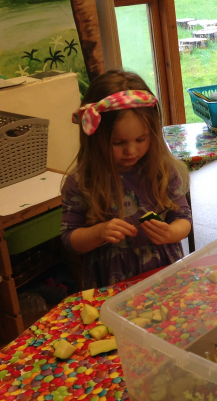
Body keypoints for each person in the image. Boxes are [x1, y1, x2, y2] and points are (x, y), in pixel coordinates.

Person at [61, 70, 192, 288]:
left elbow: (184, 219)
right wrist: (98, 232)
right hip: (111, 276)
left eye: (141, 139)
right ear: (94, 138)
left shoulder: (162, 170)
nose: (131, 150)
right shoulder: (82, 182)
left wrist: (170, 233)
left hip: (162, 269)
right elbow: (69, 239)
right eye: (118, 142)